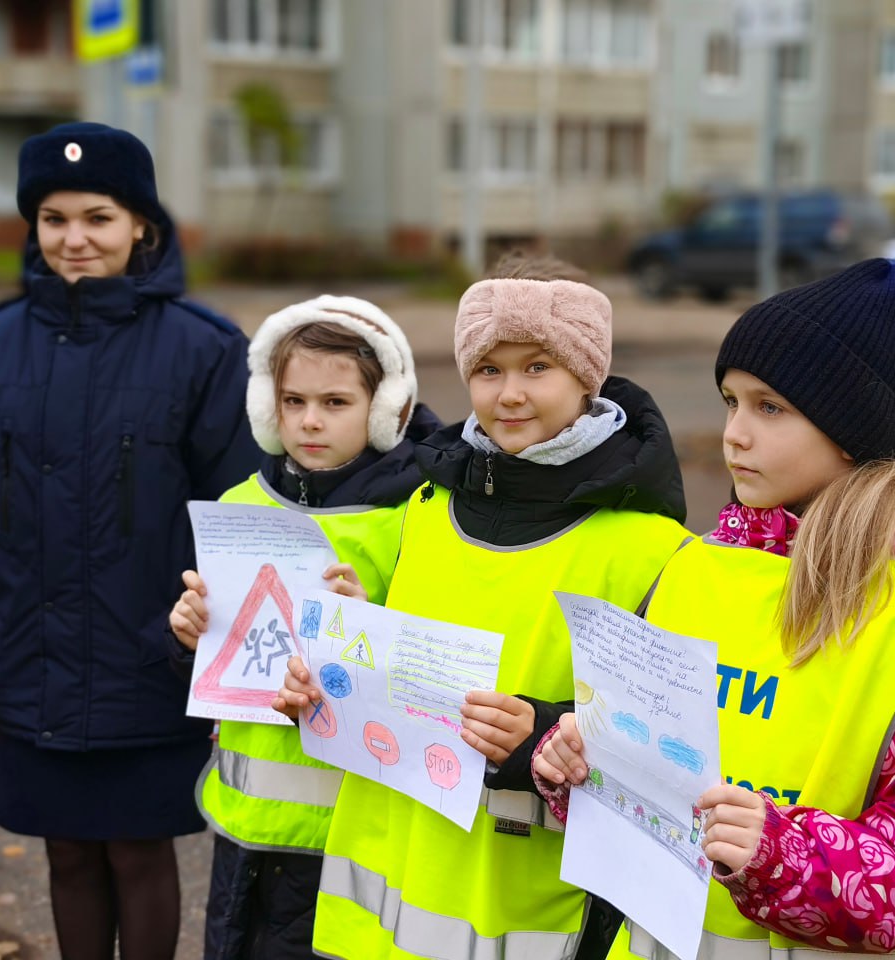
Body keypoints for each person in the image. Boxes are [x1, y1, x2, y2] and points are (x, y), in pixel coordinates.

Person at [534, 259, 895, 960]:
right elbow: (659, 773)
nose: (734, 433)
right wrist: (587, 767)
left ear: (849, 430)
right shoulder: (696, 569)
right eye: (731, 401)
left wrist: (782, 853)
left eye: (770, 408)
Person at [0, 121, 260, 960]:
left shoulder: (204, 349)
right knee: (65, 851)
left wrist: (216, 661)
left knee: (138, 850)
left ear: (142, 226)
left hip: (150, 656)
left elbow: (239, 520)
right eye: (54, 219)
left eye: (98, 216)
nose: (75, 239)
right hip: (35, 653)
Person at [275, 254, 692, 959]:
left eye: (538, 368)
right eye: (489, 369)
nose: (510, 394)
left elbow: (668, 750)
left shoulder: (653, 548)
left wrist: (546, 729)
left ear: (588, 378)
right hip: (385, 893)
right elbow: (398, 680)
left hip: (525, 906)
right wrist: (331, 674)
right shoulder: (427, 507)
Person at [167, 295, 440, 960]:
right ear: (267, 407)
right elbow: (218, 664)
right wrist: (189, 635)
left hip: (350, 838)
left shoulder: (416, 520)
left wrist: (369, 625)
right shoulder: (239, 505)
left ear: (386, 411)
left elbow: (429, 674)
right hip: (246, 829)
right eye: (292, 402)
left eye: (336, 403)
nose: (309, 421)